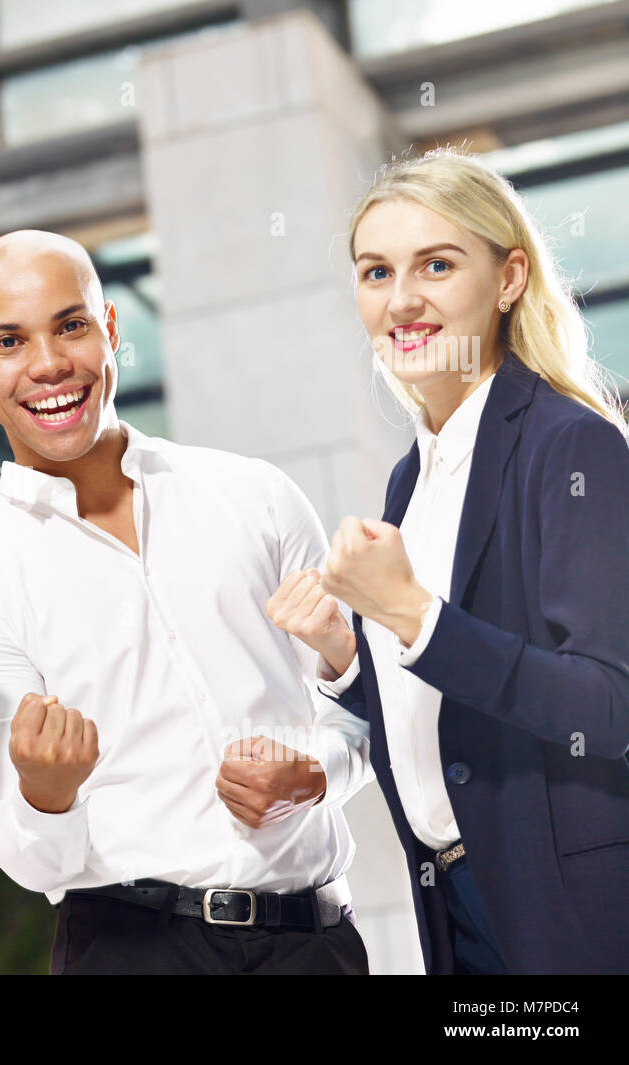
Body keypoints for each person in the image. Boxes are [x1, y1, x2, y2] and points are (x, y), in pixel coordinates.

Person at [0, 229, 373, 975]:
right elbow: (32, 859)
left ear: (110, 330)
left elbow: (366, 711)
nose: (48, 364)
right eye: (10, 341)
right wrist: (46, 794)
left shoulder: (255, 496)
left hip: (317, 941)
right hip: (131, 951)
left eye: (70, 325)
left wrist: (317, 774)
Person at [269, 148, 629, 974]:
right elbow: (444, 702)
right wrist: (344, 653)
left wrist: (410, 613)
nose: (402, 300)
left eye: (436, 264)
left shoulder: (571, 444)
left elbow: (607, 705)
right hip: (457, 906)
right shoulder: (413, 477)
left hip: (570, 911)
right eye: (375, 272)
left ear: (508, 279)